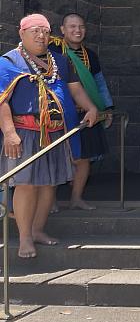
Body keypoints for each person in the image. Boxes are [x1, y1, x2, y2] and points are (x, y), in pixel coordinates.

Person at [0, 14, 98, 258]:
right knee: (26, 184)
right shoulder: (8, 61)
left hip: (56, 132)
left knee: (49, 183)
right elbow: (2, 101)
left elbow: (75, 89)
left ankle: (38, 231)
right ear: (21, 33)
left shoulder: (60, 61)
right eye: (35, 30)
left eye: (44, 31)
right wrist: (10, 133)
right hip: (24, 132)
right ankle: (24, 239)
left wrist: (91, 107)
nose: (41, 35)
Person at [49, 12, 113, 211]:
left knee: (83, 158)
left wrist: (107, 108)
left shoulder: (90, 55)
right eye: (72, 26)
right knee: (56, 157)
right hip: (58, 113)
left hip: (85, 114)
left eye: (81, 26)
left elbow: (99, 84)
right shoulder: (52, 51)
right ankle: (49, 202)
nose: (77, 30)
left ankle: (76, 198)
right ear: (62, 30)